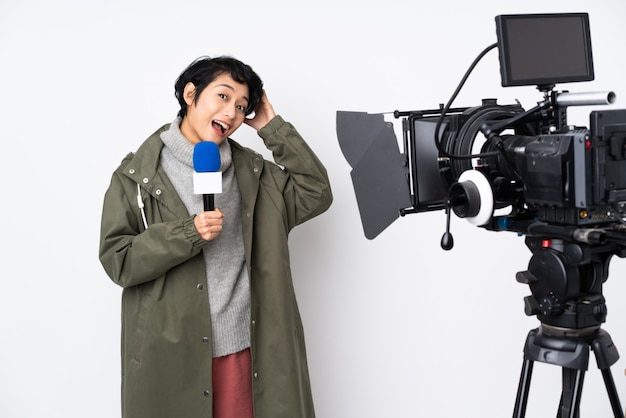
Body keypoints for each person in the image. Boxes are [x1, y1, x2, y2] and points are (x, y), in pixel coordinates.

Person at [98, 56, 333, 418]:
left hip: (245, 352)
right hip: (172, 356)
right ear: (190, 94)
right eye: (223, 97)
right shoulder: (135, 177)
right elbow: (119, 260)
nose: (232, 113)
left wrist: (273, 128)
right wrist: (186, 234)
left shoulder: (254, 173)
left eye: (241, 106)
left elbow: (315, 192)